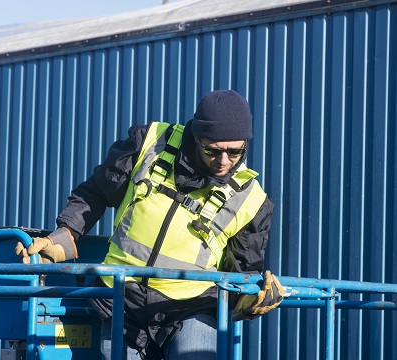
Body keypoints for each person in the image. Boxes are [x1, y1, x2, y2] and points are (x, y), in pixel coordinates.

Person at [15, 89, 284, 359]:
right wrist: (66, 234)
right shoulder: (148, 144)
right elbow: (96, 191)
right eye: (212, 150)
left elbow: (242, 273)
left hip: (191, 306)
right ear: (196, 136)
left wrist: (249, 300)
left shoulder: (252, 200)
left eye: (235, 152)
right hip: (121, 300)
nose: (224, 161)